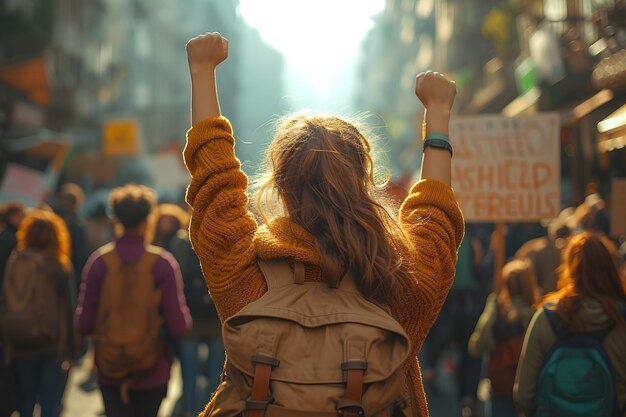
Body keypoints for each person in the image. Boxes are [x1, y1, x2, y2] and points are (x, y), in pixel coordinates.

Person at [183, 32, 464, 416]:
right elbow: (435, 220)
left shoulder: (244, 277)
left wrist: (202, 71)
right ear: (363, 180)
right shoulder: (400, 281)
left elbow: (214, 183)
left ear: (281, 185)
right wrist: (438, 118)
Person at [75, 184, 192, 417]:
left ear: (115, 219)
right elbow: (180, 325)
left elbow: (83, 324)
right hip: (153, 368)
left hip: (110, 368)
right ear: (148, 219)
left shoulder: (99, 262)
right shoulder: (163, 263)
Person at [514, 231, 626, 416]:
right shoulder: (621, 320)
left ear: (569, 267)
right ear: (610, 269)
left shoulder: (546, 318)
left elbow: (523, 396)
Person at [147, 203, 224, 417]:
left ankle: (191, 410)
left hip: (189, 315)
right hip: (217, 317)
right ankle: (213, 411)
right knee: (217, 372)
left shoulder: (181, 241)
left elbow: (174, 281)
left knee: (188, 371)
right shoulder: (223, 240)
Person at [1, 209, 76, 417]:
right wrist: (73, 349)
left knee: (26, 399)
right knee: (50, 402)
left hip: (19, 340)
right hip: (52, 343)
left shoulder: (15, 261)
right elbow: (69, 309)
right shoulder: (59, 266)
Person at [469, 259, 540, 417]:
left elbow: (475, 347)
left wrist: (490, 310)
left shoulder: (498, 314)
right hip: (529, 391)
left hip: (499, 389)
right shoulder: (538, 317)